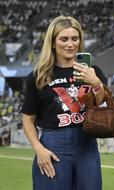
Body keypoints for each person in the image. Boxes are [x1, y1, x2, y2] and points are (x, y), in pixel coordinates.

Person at [21, 16, 107, 189]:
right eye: (64, 39)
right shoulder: (38, 76)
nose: (70, 44)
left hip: (87, 146)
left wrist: (96, 83)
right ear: (53, 43)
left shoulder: (92, 71)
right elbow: (27, 119)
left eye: (75, 39)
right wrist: (39, 149)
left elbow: (105, 106)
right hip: (53, 147)